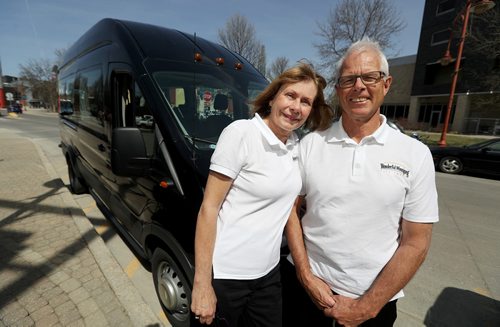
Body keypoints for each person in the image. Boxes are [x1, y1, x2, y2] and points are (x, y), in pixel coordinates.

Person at [282, 38, 439, 327]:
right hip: (304, 294)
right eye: (349, 79)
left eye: (369, 77)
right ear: (339, 89)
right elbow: (290, 210)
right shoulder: (311, 144)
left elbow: (416, 242)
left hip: (375, 305)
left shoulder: (415, 154)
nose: (359, 86)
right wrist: (305, 274)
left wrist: (367, 307)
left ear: (387, 84)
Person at [190, 63, 333, 326]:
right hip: (226, 275)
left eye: (306, 101)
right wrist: (202, 284)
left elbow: (289, 206)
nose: (296, 107)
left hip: (268, 275)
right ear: (274, 96)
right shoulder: (242, 134)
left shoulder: (295, 145)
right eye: (290, 95)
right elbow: (208, 208)